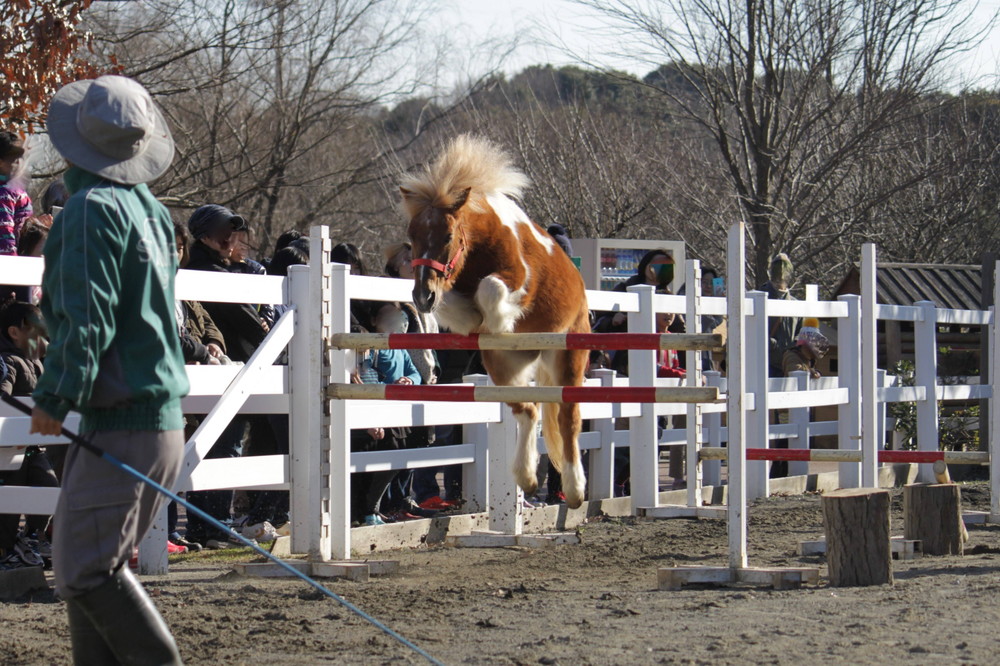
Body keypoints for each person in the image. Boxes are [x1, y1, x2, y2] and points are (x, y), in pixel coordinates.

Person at [31, 74, 187, 664]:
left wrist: (55, 394)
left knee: (86, 570)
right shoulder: (145, 209)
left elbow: (85, 319)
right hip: (150, 422)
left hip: (122, 419)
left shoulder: (89, 211)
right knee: (84, 569)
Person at [0, 299, 57, 571]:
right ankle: (6, 548)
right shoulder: (8, 361)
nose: (43, 338)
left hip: (36, 444)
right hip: (11, 447)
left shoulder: (37, 362)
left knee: (49, 487)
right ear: (15, 332)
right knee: (10, 499)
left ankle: (33, 535)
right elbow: (3, 396)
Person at [758, 253, 799, 378]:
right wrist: (768, 342)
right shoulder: (758, 298)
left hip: (789, 365)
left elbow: (801, 332)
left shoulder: (796, 305)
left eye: (785, 266)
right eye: (777, 266)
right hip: (764, 364)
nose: (781, 270)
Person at [0, 131, 31, 257]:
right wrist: (13, 264)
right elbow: (4, 233)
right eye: (14, 159)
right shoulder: (4, 193)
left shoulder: (13, 189)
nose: (19, 163)